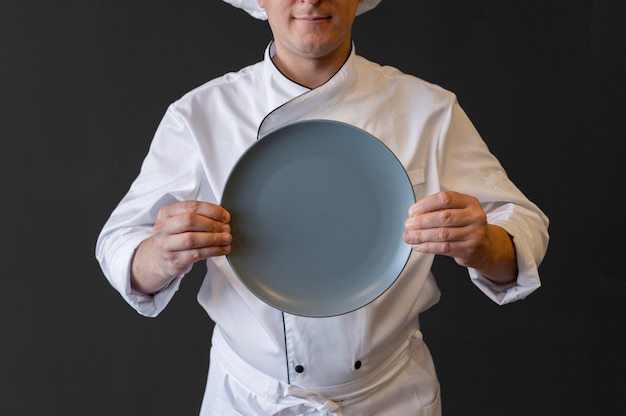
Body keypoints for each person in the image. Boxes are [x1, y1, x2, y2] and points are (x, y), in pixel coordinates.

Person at [96, 0, 549, 414]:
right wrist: (159, 254)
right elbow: (119, 243)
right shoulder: (201, 115)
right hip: (250, 401)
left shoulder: (427, 110)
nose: (310, 0)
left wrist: (486, 244)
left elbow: (524, 224)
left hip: (388, 397)